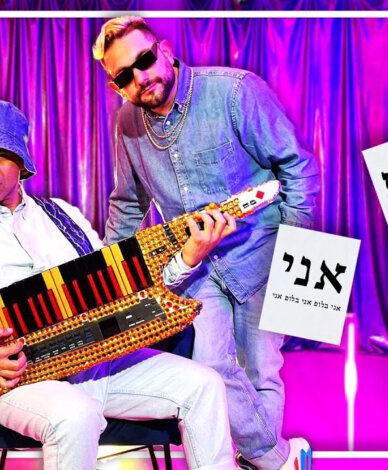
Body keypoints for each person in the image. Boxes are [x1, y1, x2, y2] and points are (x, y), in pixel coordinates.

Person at [0, 98, 240, 469]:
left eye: (1, 154)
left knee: (203, 384)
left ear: (21, 161)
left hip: (97, 365)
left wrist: (187, 258)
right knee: (75, 414)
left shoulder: (63, 216)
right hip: (20, 382)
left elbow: (120, 293)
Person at [93, 17, 321, 470]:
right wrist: (109, 274)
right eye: (124, 76)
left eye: (144, 60)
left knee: (261, 370)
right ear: (116, 85)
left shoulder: (235, 91)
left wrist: (297, 252)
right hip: (195, 265)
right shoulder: (127, 124)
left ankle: (260, 459)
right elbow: (128, 204)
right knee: (211, 368)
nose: (141, 77)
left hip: (262, 253)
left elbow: (298, 166)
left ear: (165, 50)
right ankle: (281, 459)